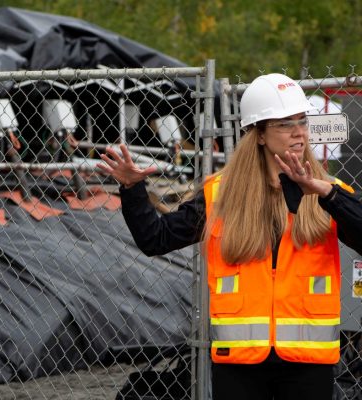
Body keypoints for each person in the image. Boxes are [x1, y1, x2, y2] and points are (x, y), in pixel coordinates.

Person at [97, 73, 362, 400]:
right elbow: (156, 239)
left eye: (302, 121)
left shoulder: (332, 195)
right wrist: (132, 189)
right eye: (284, 123)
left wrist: (326, 192)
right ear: (260, 134)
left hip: (309, 364)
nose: (298, 131)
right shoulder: (219, 195)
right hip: (239, 365)